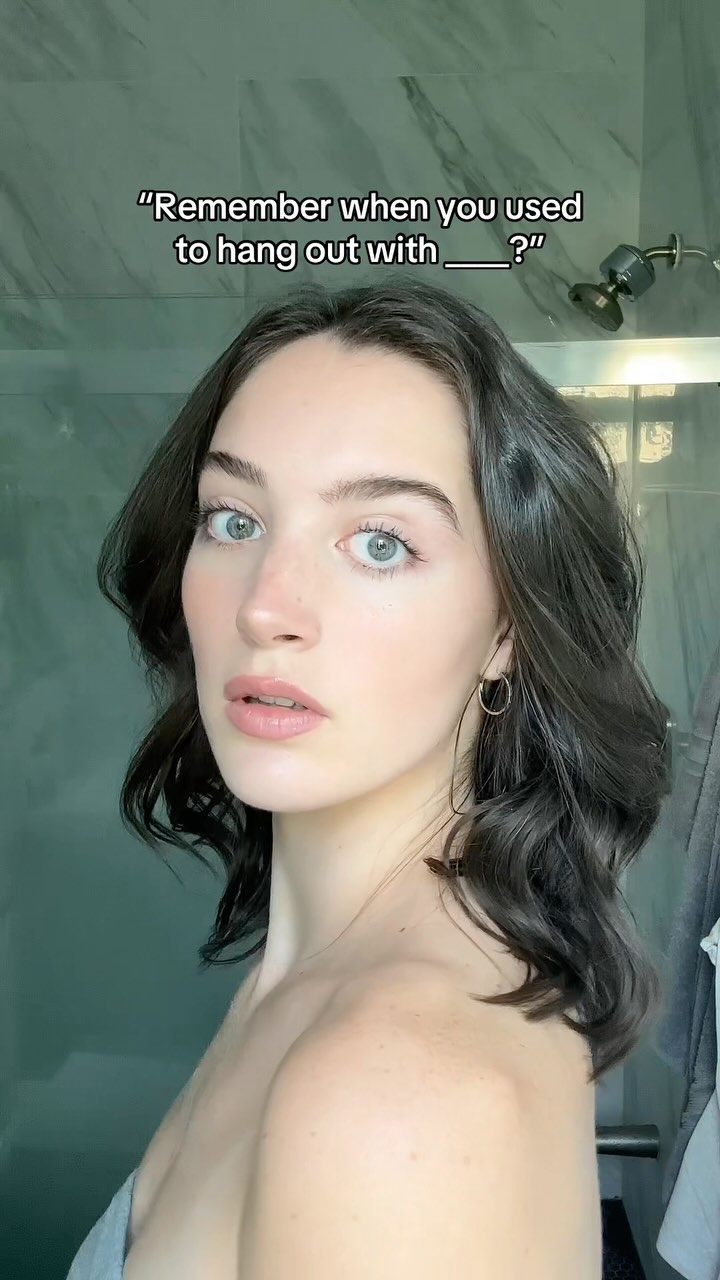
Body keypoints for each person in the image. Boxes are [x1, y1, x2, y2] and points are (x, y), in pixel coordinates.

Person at [71, 276, 673, 1279]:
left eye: (380, 542)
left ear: (509, 628)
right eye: (233, 519)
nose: (266, 606)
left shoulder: (397, 1099)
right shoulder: (313, 979)